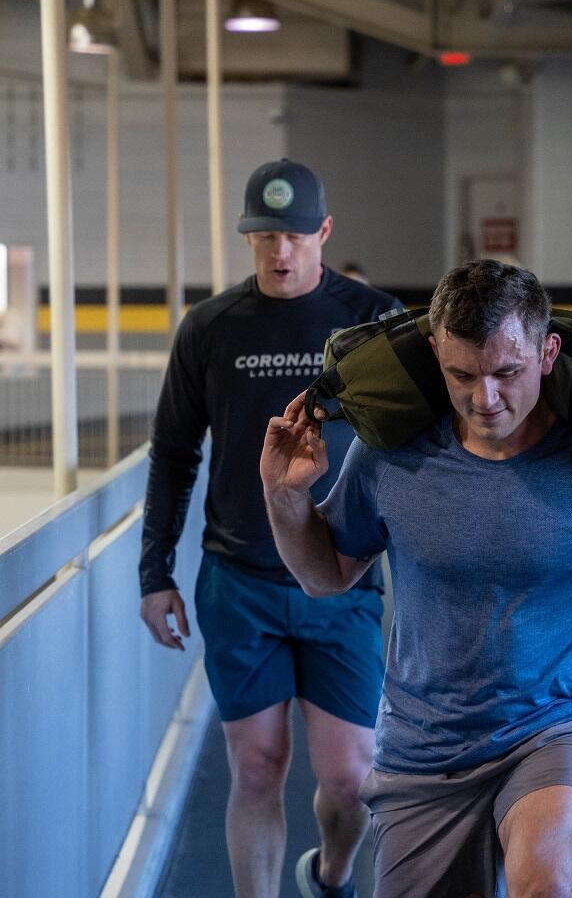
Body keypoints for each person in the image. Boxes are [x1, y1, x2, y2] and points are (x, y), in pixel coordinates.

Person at [260, 260, 572, 898]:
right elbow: (326, 575)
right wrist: (284, 497)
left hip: (557, 728)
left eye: (506, 373)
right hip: (423, 748)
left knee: (542, 885)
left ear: (547, 353)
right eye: (462, 374)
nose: (484, 398)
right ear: (436, 350)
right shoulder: (390, 453)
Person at [141, 159, 402, 898]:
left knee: (351, 779)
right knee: (256, 767)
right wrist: (153, 572)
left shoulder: (373, 321)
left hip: (340, 580)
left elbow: (418, 445)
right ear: (246, 238)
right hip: (239, 581)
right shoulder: (211, 328)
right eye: (263, 237)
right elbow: (172, 453)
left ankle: (331, 874)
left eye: (292, 235)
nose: (279, 252)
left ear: (323, 232)